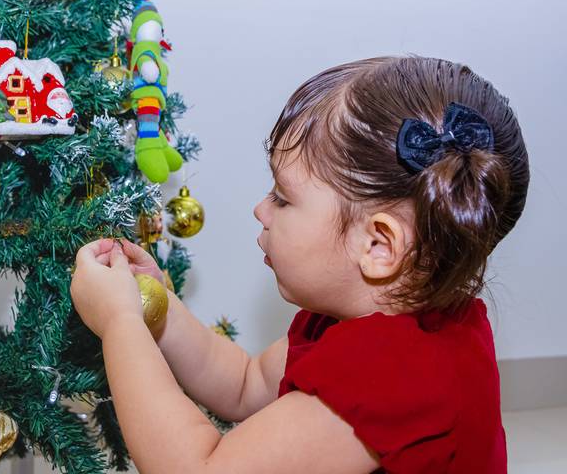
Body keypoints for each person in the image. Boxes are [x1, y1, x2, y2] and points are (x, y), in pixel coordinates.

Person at [69, 55, 529, 473]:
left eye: (283, 198)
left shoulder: (391, 377)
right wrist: (158, 307)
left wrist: (120, 323)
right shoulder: (371, 319)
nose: (260, 209)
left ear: (379, 245)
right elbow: (245, 383)